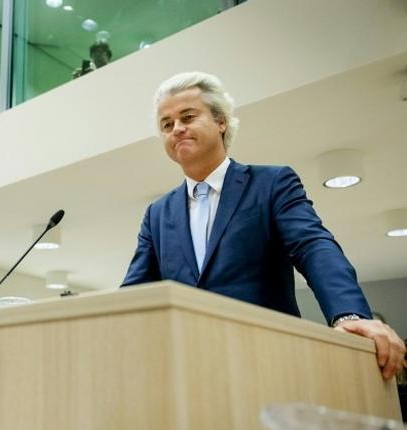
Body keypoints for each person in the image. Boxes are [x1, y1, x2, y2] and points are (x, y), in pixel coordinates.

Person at [121, 71, 405, 379]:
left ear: (220, 122)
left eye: (187, 117)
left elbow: (313, 246)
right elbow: (135, 292)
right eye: (167, 124)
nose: (176, 129)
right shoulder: (157, 214)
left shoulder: (272, 183)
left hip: (268, 365)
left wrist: (349, 314)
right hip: (186, 371)